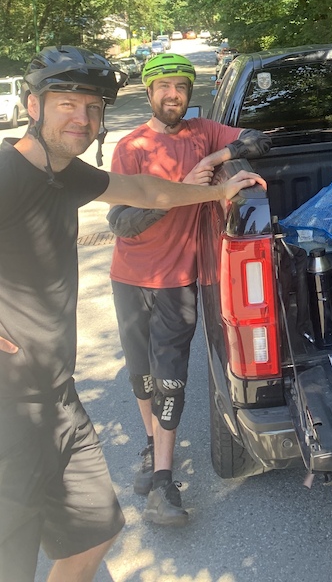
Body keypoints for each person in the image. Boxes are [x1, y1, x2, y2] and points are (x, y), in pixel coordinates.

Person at [0, 46, 261, 582]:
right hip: (10, 410)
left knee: (97, 533)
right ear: (33, 104)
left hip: (58, 397)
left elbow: (146, 190)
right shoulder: (8, 173)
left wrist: (219, 187)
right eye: (67, 104)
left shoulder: (65, 174)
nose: (82, 118)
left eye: (92, 108)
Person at [106, 53, 271, 526]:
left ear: (188, 93)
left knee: (171, 374)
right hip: (129, 276)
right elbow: (121, 222)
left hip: (179, 280)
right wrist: (182, 188)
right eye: (163, 87)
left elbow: (257, 142)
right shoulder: (132, 146)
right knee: (142, 374)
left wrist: (218, 158)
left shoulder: (204, 133)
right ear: (150, 92)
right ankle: (150, 444)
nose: (172, 94)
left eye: (180, 86)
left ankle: (163, 479)